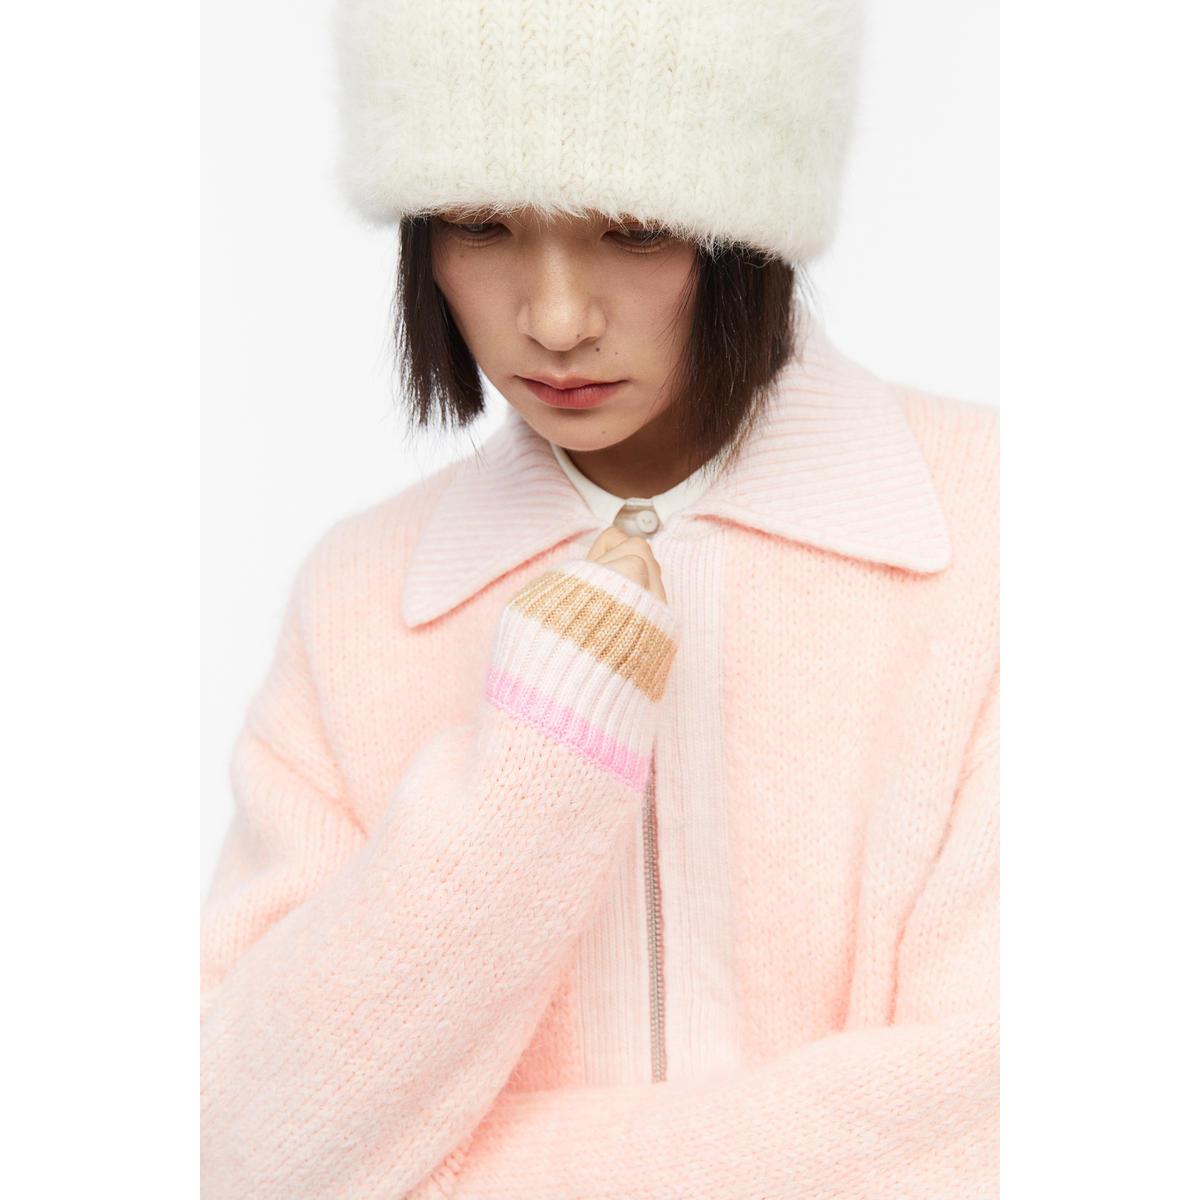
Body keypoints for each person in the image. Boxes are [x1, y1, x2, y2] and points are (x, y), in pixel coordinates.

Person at [200, 1, 999, 1197]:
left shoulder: (1001, 541)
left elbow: (1010, 1126)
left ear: (747, 227)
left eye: (634, 229)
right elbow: (238, 1151)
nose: (555, 319)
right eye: (481, 224)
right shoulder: (364, 603)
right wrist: (539, 761)